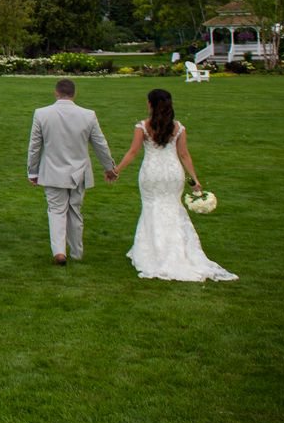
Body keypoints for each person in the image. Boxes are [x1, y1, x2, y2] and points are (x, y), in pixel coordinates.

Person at [113, 89, 236, 282]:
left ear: (151, 104)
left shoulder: (143, 126)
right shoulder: (178, 127)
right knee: (172, 207)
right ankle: (176, 249)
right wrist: (194, 179)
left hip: (152, 173)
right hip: (172, 173)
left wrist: (116, 170)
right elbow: (184, 154)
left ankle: (152, 251)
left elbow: (133, 152)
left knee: (152, 207)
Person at [26, 78, 117, 265]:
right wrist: (109, 168)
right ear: (74, 94)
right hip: (78, 172)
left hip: (52, 171)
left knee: (57, 211)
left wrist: (32, 171)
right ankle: (76, 252)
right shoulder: (88, 115)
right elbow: (101, 144)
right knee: (75, 211)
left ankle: (59, 251)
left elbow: (34, 146)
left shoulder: (42, 114)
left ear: (56, 92)